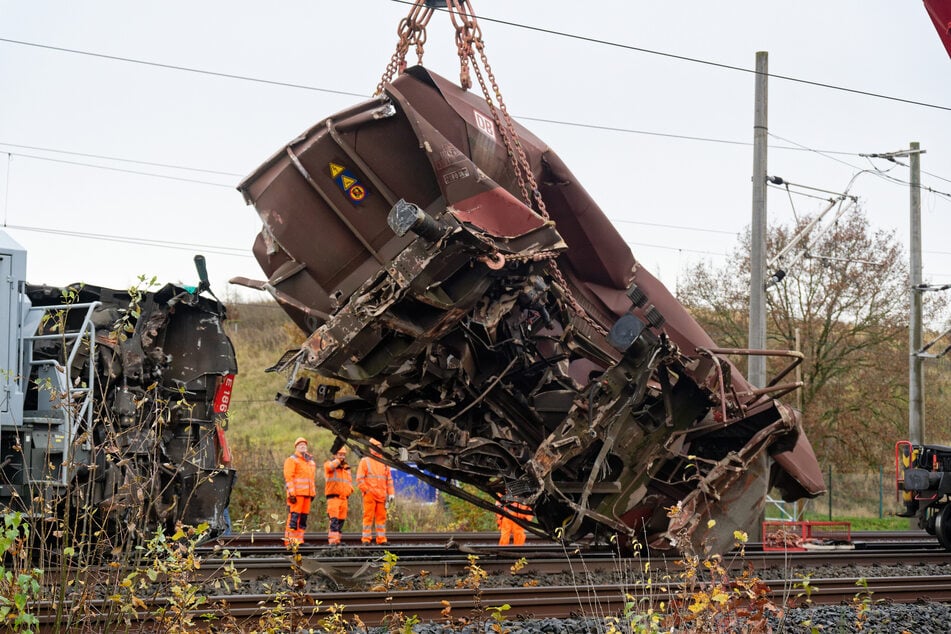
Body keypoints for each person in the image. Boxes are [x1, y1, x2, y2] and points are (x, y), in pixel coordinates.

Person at [356, 438, 395, 545]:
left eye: (379, 447)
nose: (378, 449)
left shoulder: (384, 462)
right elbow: (359, 479)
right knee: (368, 517)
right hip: (370, 495)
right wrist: (367, 491)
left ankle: (381, 540)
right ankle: (366, 539)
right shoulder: (365, 461)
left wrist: (391, 493)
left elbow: (389, 480)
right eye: (376, 447)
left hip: (381, 495)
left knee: (381, 519)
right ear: (370, 448)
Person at [283, 437, 317, 547]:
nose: (302, 446)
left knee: (302, 520)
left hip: (307, 495)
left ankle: (299, 540)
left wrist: (313, 492)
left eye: (304, 444)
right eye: (300, 444)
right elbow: (289, 477)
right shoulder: (292, 460)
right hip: (296, 495)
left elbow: (311, 479)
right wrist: (292, 494)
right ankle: (290, 541)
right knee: (293, 519)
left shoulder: (310, 462)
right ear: (296, 447)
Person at [324, 444, 354, 545]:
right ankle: (333, 541)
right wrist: (337, 461)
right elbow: (330, 467)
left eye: (343, 455)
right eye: (340, 454)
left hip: (344, 498)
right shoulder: (329, 464)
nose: (342, 457)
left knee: (341, 521)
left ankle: (337, 541)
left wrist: (349, 491)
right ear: (335, 455)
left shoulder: (346, 468)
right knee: (334, 520)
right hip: (333, 498)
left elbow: (349, 482)